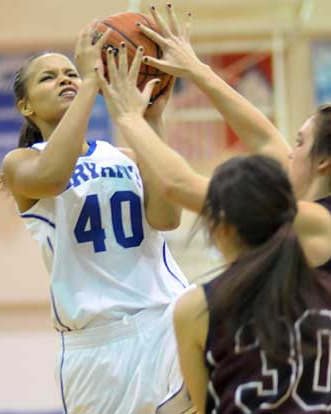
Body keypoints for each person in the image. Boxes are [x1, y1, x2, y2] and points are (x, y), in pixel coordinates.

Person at [94, 5, 331, 413]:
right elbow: (263, 141)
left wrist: (128, 115)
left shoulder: (316, 222)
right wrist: (195, 70)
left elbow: (179, 185)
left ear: (323, 162)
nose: (287, 153)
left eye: (300, 143)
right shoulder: (311, 216)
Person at [2, 20, 196, 414]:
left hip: (163, 319)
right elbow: (54, 177)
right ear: (26, 106)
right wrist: (90, 85)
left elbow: (167, 218)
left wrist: (153, 120)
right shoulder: (21, 163)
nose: (65, 80)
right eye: (49, 78)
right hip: (94, 345)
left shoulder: (125, 155)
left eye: (71, 72)